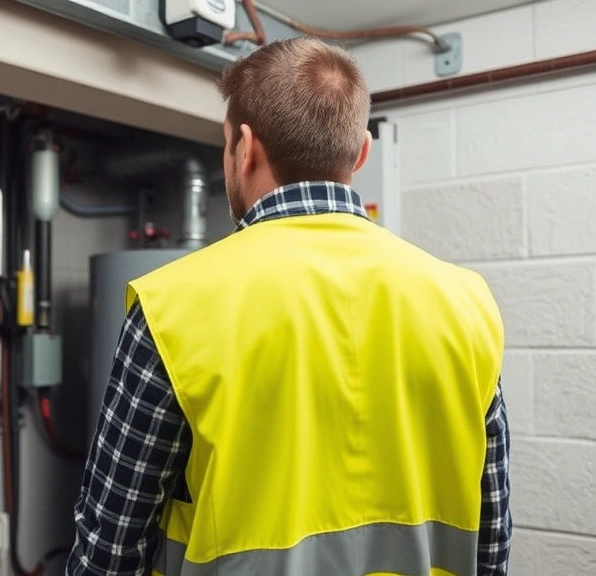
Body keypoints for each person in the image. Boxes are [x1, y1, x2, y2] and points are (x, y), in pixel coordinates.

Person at [66, 36, 511, 576]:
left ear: (244, 147)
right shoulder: (465, 302)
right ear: (362, 152)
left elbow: (108, 547)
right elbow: (492, 536)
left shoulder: (173, 306)